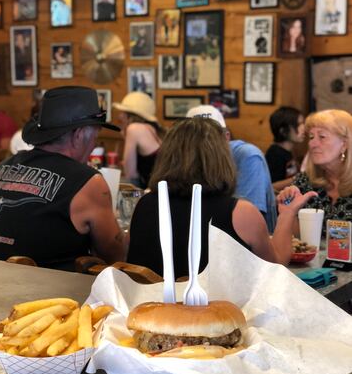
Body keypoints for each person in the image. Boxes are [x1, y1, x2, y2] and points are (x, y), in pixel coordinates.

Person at [127, 117, 315, 278]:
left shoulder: (145, 203)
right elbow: (276, 266)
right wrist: (287, 214)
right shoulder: (241, 213)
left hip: (151, 312)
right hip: (216, 316)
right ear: (222, 158)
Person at [0, 86, 127, 271]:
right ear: (79, 135)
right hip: (41, 294)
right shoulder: (88, 181)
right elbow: (115, 257)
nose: (93, 146)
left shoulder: (6, 165)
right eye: (95, 137)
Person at [186, 105, 277, 233]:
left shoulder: (247, 156)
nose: (201, 143)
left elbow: (246, 223)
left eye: (209, 136)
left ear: (226, 137)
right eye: (193, 136)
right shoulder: (187, 161)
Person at [277, 109, 352, 225]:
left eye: (322, 137)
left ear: (344, 144)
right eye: (311, 137)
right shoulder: (304, 182)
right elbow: (297, 239)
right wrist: (288, 212)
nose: (312, 144)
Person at [113, 91, 164, 189]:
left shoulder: (134, 128)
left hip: (153, 192)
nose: (120, 116)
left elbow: (130, 174)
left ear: (130, 115)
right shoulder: (154, 128)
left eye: (123, 112)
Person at [265, 106, 305, 192]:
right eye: (298, 125)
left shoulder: (288, 151)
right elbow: (271, 186)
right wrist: (300, 178)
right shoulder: (275, 154)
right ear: (283, 131)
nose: (303, 129)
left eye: (303, 124)